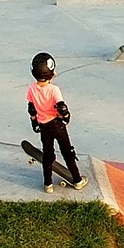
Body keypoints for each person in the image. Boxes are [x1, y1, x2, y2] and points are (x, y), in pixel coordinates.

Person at [25, 52, 89, 193]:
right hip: (57, 125)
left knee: (48, 155)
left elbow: (31, 108)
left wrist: (34, 122)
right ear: (51, 72)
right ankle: (78, 180)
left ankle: (48, 184)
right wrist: (66, 117)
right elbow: (61, 107)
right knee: (67, 152)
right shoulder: (54, 90)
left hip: (43, 126)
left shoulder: (32, 88)